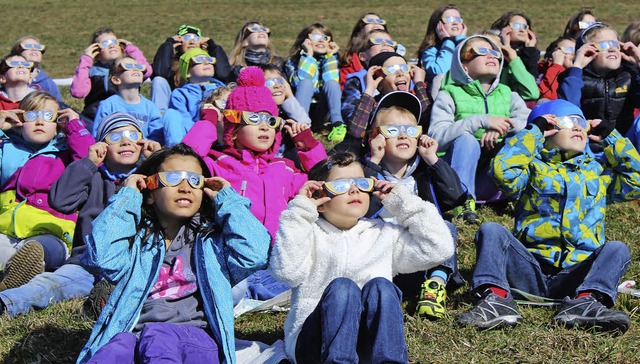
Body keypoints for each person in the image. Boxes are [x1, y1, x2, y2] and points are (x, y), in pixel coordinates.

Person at [456, 99, 640, 334]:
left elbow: (636, 180)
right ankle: (496, 300)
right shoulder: (532, 167)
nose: (577, 127)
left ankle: (585, 301)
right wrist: (532, 133)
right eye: (566, 121)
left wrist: (611, 138)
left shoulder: (597, 172)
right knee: (491, 230)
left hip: (576, 276)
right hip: (529, 271)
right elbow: (502, 171)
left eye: (581, 123)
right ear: (547, 130)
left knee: (617, 248)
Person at [76, 143, 271, 364]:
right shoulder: (137, 243)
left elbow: (256, 253)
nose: (185, 187)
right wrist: (128, 196)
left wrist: (227, 199)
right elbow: (100, 257)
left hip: (195, 339)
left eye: (195, 180)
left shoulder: (211, 244)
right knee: (116, 346)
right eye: (173, 178)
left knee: (159, 335)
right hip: (137, 334)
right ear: (149, 193)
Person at [269, 151, 454, 363]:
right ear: (319, 196)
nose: (354, 189)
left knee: (381, 286)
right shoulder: (308, 233)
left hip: (367, 345)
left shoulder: (383, 234)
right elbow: (286, 272)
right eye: (342, 185)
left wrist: (404, 203)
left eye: (361, 182)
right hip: (313, 345)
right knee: (343, 288)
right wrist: (300, 212)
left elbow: (439, 248)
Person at [183, 66, 326, 301]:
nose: (264, 127)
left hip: (276, 265)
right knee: (231, 290)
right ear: (234, 128)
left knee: (312, 281)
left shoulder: (284, 167)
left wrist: (307, 146)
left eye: (271, 120)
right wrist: (209, 121)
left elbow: (327, 180)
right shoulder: (218, 163)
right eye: (254, 118)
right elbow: (185, 159)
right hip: (235, 263)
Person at [0, 113, 159, 317]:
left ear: (142, 142)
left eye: (132, 135)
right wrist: (88, 163)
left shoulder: (151, 181)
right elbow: (60, 201)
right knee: (51, 284)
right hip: (89, 265)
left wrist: (157, 160)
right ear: (102, 147)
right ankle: (7, 301)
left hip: (135, 265)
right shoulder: (93, 177)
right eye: (115, 137)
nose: (126, 141)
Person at [363, 91, 466, 319]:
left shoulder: (425, 173)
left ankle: (435, 285)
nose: (403, 136)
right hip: (382, 257)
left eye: (410, 130)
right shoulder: (365, 171)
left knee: (446, 227)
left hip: (419, 254)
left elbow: (455, 197)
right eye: (393, 131)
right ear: (376, 137)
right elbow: (360, 211)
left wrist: (433, 159)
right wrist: (374, 163)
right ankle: (385, 297)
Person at [429, 35, 530, 222]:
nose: (491, 56)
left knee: (519, 139)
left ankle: (523, 198)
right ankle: (463, 202)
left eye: (494, 53)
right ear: (463, 64)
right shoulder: (449, 94)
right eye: (481, 51)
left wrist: (502, 128)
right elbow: (436, 137)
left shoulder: (509, 94)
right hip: (457, 178)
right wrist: (480, 121)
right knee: (466, 139)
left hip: (493, 178)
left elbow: (529, 124)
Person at [0, 91, 93, 291]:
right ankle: (13, 276)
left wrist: (74, 126)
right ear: (19, 120)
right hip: (6, 230)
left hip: (51, 230)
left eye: (48, 116)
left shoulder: (65, 152)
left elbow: (90, 158)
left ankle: (25, 267)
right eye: (32, 116)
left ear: (58, 124)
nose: (40, 121)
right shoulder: (7, 147)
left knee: (40, 250)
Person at [558, 22, 640, 147]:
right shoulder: (576, 78)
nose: (612, 48)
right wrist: (577, 66)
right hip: (589, 145)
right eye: (604, 45)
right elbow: (568, 108)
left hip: (625, 143)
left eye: (615, 44)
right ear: (587, 51)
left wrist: (639, 63)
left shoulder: (628, 76)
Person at [340, 51, 429, 156]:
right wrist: (369, 90)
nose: (400, 73)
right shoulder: (371, 105)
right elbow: (355, 133)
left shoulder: (415, 103)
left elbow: (429, 123)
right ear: (379, 81)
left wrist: (419, 85)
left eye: (404, 68)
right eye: (392, 70)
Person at [70, 27, 152, 131]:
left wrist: (132, 49)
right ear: (96, 52)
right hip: (95, 118)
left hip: (127, 118)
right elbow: (78, 92)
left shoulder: (130, 68)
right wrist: (86, 59)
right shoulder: (92, 71)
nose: (111, 45)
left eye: (114, 41)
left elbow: (147, 71)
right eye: (105, 43)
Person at [284, 23, 345, 142]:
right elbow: (299, 82)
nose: (321, 40)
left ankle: (338, 124)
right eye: (315, 37)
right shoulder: (292, 62)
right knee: (306, 82)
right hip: (301, 109)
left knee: (332, 83)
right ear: (305, 41)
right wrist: (309, 55)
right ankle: (301, 126)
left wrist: (330, 56)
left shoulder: (332, 60)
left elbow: (331, 80)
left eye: (325, 38)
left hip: (322, 110)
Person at [151, 24, 231, 112]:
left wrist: (213, 47)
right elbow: (160, 72)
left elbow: (224, 74)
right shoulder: (171, 63)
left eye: (196, 39)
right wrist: (167, 45)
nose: (192, 42)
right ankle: (159, 119)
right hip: (175, 107)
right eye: (186, 38)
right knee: (158, 80)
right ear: (179, 42)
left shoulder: (207, 64)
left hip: (208, 107)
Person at [93, 56, 163, 143]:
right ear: (116, 79)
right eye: (128, 66)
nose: (135, 69)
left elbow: (157, 137)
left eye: (138, 67)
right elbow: (98, 135)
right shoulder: (107, 105)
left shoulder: (151, 107)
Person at [341, 29, 398, 123]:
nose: (385, 44)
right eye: (378, 41)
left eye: (390, 42)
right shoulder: (357, 80)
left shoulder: (403, 76)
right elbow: (349, 114)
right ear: (363, 56)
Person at [164, 48, 224, 136]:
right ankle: (178, 149)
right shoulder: (180, 94)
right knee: (171, 114)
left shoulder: (223, 90)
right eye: (199, 60)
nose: (206, 62)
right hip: (192, 136)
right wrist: (198, 134)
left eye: (209, 59)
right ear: (187, 72)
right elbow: (183, 120)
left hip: (221, 135)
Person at [417, 4, 467, 84]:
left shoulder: (473, 44)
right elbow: (442, 72)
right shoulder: (430, 51)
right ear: (438, 25)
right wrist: (447, 41)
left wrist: (462, 41)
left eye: (458, 19)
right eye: (449, 19)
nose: (455, 23)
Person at [339, 12, 388, 89]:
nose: (376, 23)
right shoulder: (350, 65)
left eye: (380, 22)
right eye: (370, 21)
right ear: (358, 33)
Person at [10, 36, 62, 102]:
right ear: (17, 53)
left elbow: (58, 107)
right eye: (28, 46)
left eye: (38, 47)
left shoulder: (47, 83)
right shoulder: (8, 79)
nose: (34, 49)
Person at [490, 11, 540, 78]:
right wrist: (506, 46)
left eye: (524, 27)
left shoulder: (532, 53)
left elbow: (531, 76)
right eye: (516, 25)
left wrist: (530, 49)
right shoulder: (494, 50)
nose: (522, 30)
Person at [537, 36, 576, 101]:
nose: (573, 53)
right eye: (568, 50)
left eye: (576, 49)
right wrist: (557, 66)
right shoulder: (544, 73)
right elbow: (548, 97)